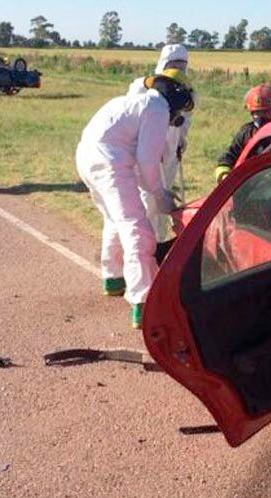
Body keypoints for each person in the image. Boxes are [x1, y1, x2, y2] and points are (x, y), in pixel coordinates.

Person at [76, 69, 194, 329]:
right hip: (110, 163)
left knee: (115, 219)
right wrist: (162, 196)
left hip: (87, 158)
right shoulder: (157, 107)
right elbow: (147, 162)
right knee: (136, 227)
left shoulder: (127, 101)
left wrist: (157, 192)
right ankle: (143, 302)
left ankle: (114, 278)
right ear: (175, 97)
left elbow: (139, 166)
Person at [126, 44, 192, 261]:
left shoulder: (186, 89)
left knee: (165, 201)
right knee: (148, 201)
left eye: (182, 65)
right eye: (174, 64)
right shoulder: (143, 86)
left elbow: (185, 120)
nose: (179, 69)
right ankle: (144, 251)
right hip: (147, 151)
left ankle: (160, 247)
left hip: (170, 153)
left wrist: (182, 142)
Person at [214, 84, 271, 183]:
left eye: (265, 112)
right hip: (250, 190)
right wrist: (224, 175)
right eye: (256, 113)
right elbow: (229, 157)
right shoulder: (246, 133)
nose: (260, 117)